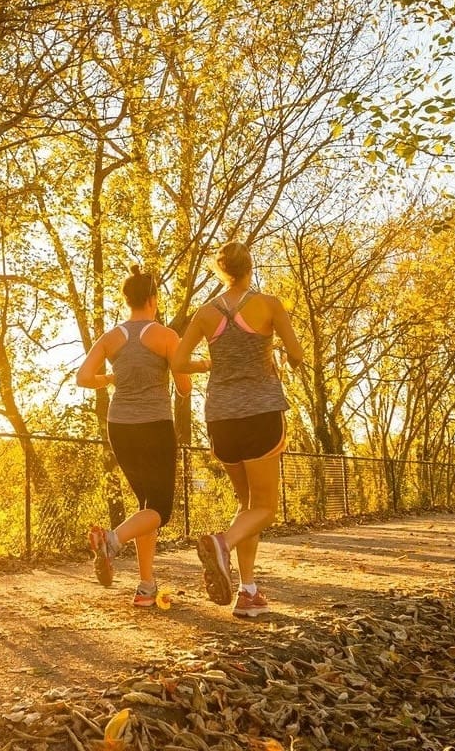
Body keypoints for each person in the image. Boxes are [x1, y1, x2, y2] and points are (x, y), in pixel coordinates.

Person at [172, 241, 303, 618]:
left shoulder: (204, 313)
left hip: (220, 418)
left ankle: (248, 592)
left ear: (220, 270)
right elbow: (297, 355)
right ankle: (221, 543)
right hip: (260, 412)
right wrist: (280, 352)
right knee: (266, 508)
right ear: (250, 268)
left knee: (248, 506)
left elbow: (179, 361)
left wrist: (210, 366)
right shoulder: (269, 305)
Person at [75, 265, 209, 607]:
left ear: (127, 299)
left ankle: (146, 586)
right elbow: (183, 387)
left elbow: (84, 377)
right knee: (160, 510)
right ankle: (112, 539)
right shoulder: (165, 336)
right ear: (153, 299)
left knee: (145, 508)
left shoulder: (111, 337)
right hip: (154, 426)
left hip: (119, 426)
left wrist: (110, 379)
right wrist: (182, 376)